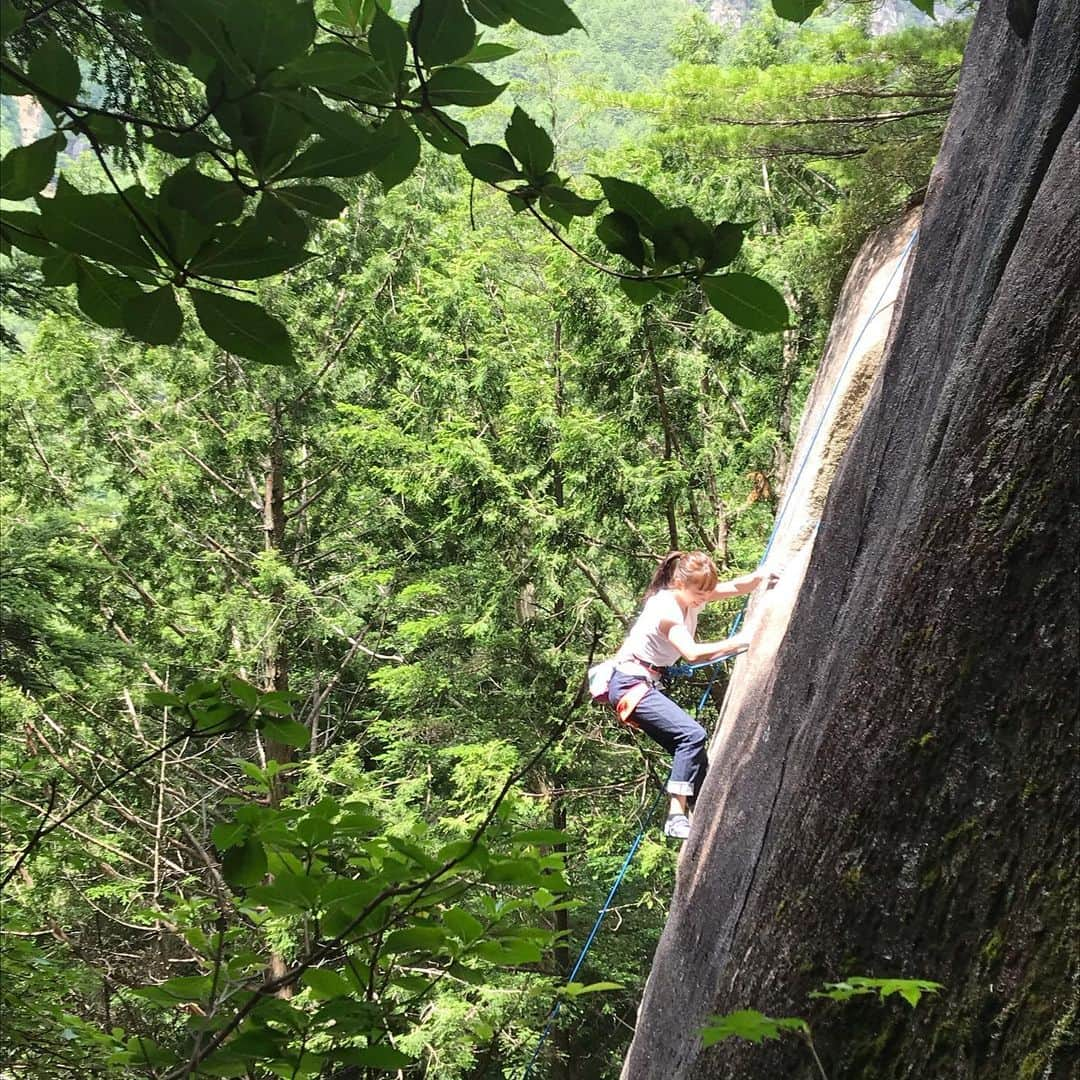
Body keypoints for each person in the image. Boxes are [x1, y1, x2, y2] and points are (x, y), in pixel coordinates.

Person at [607, 550, 777, 840]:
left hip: (642, 683)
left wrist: (760, 578)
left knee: (691, 752)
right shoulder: (667, 609)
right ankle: (675, 816)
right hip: (630, 684)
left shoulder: (690, 596)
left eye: (706, 591)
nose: (704, 597)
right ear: (678, 583)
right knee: (692, 735)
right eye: (699, 592)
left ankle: (705, 815)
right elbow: (692, 654)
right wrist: (742, 639)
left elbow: (732, 588)